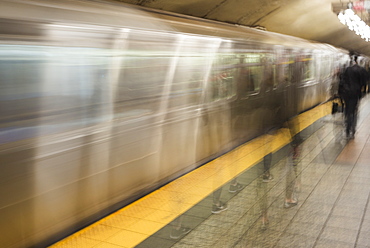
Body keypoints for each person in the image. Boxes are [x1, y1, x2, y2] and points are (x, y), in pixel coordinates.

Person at [341, 55, 368, 139]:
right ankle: (352, 128)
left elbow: (342, 80)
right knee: (353, 110)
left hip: (346, 93)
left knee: (348, 109)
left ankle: (347, 128)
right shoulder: (361, 70)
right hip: (356, 93)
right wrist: (362, 90)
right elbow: (365, 82)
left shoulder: (347, 69)